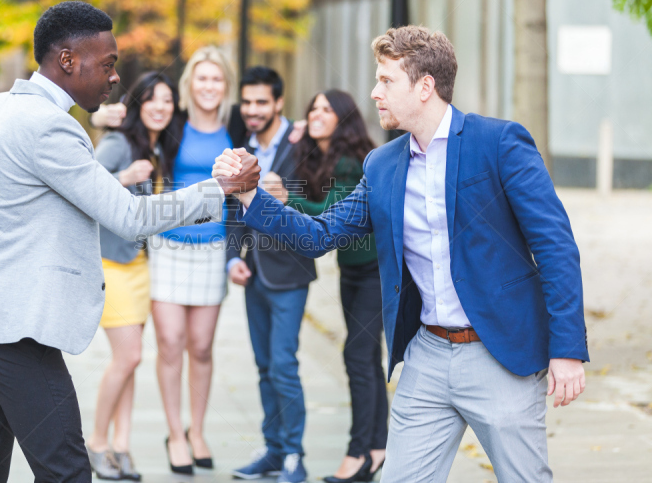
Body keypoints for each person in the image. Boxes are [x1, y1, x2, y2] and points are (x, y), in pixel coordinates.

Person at [0, 1, 260, 483]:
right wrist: (221, 190)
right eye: (107, 64)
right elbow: (129, 216)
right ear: (67, 60)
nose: (114, 78)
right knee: (67, 471)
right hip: (13, 331)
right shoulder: (50, 126)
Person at [214, 25, 588, 482]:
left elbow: (556, 246)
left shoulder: (500, 143)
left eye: (386, 81)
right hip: (426, 355)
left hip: (501, 354)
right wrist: (251, 195)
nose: (374, 92)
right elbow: (319, 234)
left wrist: (567, 349)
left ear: (425, 86)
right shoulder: (382, 164)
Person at [272, 90, 385, 483]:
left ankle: (359, 454)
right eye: (313, 108)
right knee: (367, 360)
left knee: (358, 358)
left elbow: (331, 217)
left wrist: (288, 199)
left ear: (343, 118)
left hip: (375, 270)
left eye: (326, 109)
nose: (317, 114)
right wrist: (297, 134)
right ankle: (377, 447)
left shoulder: (352, 160)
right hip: (353, 271)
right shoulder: (319, 154)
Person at [86, 71, 184, 480]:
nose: (160, 107)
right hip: (110, 265)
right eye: (152, 100)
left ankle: (121, 445)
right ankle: (95, 442)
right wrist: (122, 179)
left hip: (139, 265)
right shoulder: (117, 143)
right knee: (129, 356)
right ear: (137, 105)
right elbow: (79, 187)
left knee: (127, 362)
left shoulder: (157, 146)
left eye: (167, 100)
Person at [225, 67, 316, 483]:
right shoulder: (241, 147)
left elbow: (317, 200)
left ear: (279, 103)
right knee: (264, 365)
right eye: (247, 102)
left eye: (262, 102)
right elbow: (233, 209)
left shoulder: (303, 144)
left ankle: (295, 454)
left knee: (283, 363)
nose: (253, 110)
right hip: (254, 272)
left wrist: (288, 194)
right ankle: (274, 450)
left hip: (290, 271)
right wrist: (232, 258)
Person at [148, 45, 236, 475]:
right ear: (189, 85)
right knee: (170, 344)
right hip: (168, 246)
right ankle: (175, 433)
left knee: (200, 346)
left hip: (213, 248)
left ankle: (197, 429)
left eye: (216, 78)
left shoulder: (235, 128)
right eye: (201, 78)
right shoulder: (173, 125)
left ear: (226, 85)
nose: (208, 85)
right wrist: (103, 117)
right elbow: (134, 127)